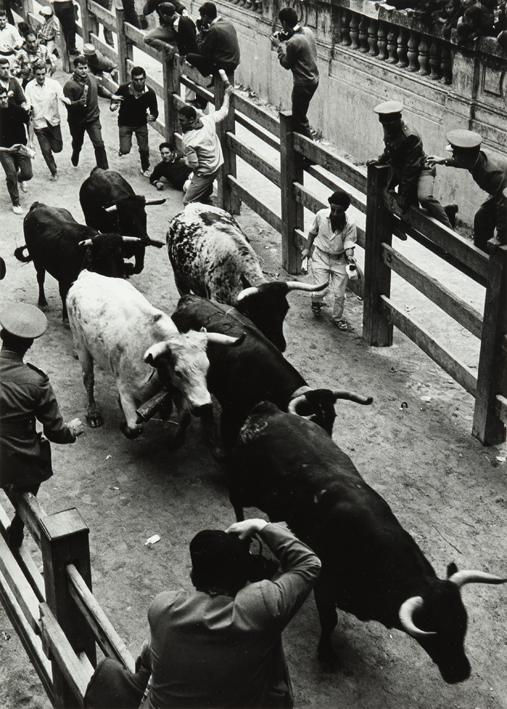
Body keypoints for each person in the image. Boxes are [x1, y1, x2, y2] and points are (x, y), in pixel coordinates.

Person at [139, 517, 321, 709]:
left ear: (194, 576)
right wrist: (261, 525)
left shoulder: (163, 607)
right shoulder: (259, 608)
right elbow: (310, 563)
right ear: (244, 577)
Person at [0, 303, 83, 551]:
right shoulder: (36, 382)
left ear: (1, 335)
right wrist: (72, 430)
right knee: (34, 459)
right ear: (29, 345)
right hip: (16, 463)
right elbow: (55, 432)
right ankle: (17, 525)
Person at [369, 100, 456, 228]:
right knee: (386, 195)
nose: (386, 125)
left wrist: (403, 196)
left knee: (424, 198)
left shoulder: (410, 136)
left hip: (422, 169)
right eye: (383, 121)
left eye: (390, 121)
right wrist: (380, 159)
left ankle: (449, 231)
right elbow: (390, 148)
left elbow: (411, 170)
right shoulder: (389, 127)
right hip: (402, 168)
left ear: (398, 119)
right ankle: (445, 211)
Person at [427, 129, 507, 251]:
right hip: (500, 194)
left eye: (455, 154)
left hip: (504, 197)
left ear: (466, 157)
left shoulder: (493, 173)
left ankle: (495, 263)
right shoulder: (474, 158)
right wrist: (443, 161)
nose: (453, 156)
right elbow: (462, 162)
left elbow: (504, 205)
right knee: (482, 218)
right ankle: (481, 259)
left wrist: (500, 238)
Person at [302, 188, 358, 331]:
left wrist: (350, 255)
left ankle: (337, 318)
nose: (335, 213)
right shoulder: (321, 215)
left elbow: (349, 243)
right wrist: (307, 249)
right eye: (333, 209)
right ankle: (316, 302)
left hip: (340, 261)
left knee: (339, 294)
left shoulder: (350, 224)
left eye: (339, 211)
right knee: (321, 289)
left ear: (345, 209)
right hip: (320, 256)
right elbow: (312, 232)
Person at [177, 78, 232, 204]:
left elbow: (194, 165)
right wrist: (227, 95)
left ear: (191, 120)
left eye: (182, 121)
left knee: (187, 201)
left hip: (204, 173)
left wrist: (185, 160)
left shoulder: (188, 140)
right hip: (218, 164)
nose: (180, 123)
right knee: (203, 191)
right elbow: (224, 111)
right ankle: (205, 194)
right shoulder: (208, 120)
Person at [271, 7, 319, 140]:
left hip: (302, 83)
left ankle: (310, 151)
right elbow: (297, 39)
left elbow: (286, 63)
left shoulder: (293, 42)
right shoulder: (306, 32)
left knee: (299, 119)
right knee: (301, 114)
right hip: (313, 79)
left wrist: (278, 46)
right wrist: (285, 36)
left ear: (285, 23)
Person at [63, 54, 114, 169]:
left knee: (99, 144)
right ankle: (76, 152)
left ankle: (103, 169)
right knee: (77, 143)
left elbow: (100, 89)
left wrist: (111, 96)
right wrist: (78, 104)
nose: (83, 71)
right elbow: (68, 105)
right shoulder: (69, 85)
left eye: (85, 68)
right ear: (75, 68)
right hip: (77, 121)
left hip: (93, 118)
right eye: (80, 68)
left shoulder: (91, 78)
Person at [25, 61, 70, 180]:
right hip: (39, 124)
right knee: (46, 151)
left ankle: (54, 149)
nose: (41, 77)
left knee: (57, 148)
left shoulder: (54, 84)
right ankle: (54, 171)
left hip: (53, 121)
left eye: (43, 74)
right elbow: (28, 102)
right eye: (38, 74)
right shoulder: (29, 87)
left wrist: (66, 101)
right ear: (34, 74)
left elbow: (61, 95)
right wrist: (28, 108)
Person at [110, 65, 158, 177]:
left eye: (141, 79)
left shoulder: (150, 93)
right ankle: (124, 148)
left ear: (145, 79)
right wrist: (113, 106)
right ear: (132, 79)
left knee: (144, 148)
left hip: (140, 123)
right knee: (125, 149)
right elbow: (114, 98)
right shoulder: (124, 89)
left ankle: (145, 167)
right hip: (125, 122)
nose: (139, 82)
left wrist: (153, 117)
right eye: (136, 80)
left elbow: (155, 111)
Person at [186, 1, 240, 84]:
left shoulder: (214, 29)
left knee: (189, 56)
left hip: (224, 65)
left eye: (202, 16)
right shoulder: (228, 23)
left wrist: (201, 32)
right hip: (233, 62)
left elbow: (202, 50)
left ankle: (210, 77)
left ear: (206, 16)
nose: (201, 19)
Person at [0, 84, 33, 214]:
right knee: (11, 174)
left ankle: (20, 179)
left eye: (4, 97)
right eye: (0, 98)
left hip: (20, 147)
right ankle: (16, 202)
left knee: (28, 174)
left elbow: (30, 122)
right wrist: (7, 150)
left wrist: (30, 142)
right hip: (4, 150)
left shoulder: (17, 110)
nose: (3, 101)